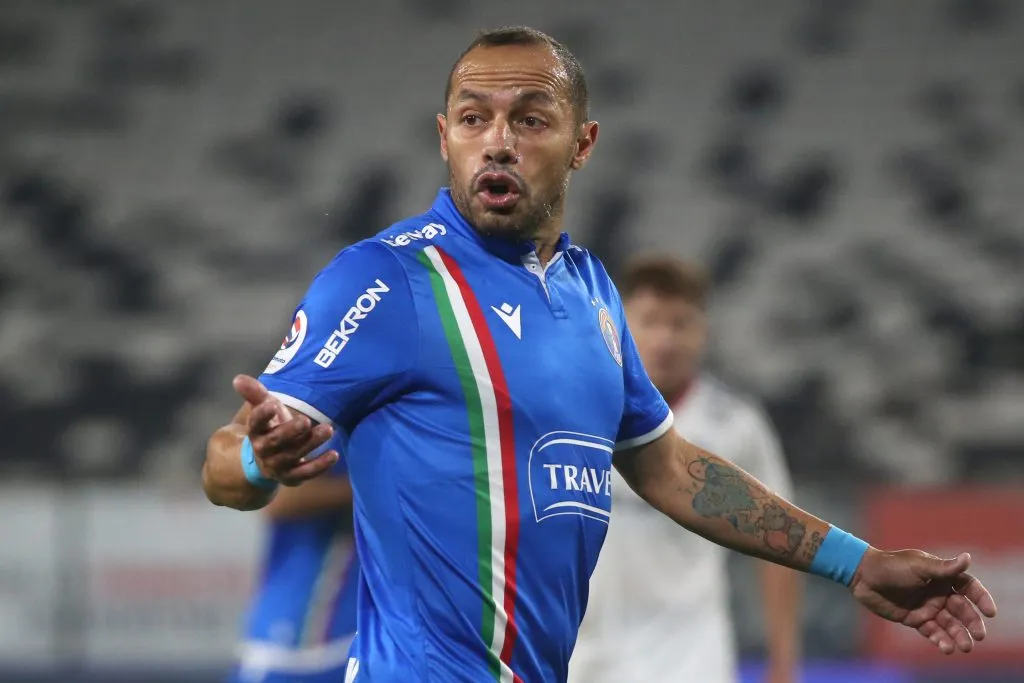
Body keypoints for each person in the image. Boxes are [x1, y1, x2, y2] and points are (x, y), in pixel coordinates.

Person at [201, 26, 997, 683]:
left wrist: (856, 564)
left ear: (583, 144)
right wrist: (262, 461)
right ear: (444, 138)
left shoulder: (591, 294)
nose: (498, 142)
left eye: (531, 119)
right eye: (473, 119)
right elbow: (225, 460)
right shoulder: (391, 279)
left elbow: (669, 467)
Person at [571, 257, 800, 683]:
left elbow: (780, 541)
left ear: (702, 331)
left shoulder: (735, 424)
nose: (665, 339)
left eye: (680, 323)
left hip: (690, 653)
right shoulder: (572, 410)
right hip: (581, 650)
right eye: (651, 321)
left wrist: (784, 659)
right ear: (617, 322)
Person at [227, 433, 359, 683]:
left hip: (350, 641)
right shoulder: (316, 428)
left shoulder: (388, 432)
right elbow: (280, 500)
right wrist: (369, 489)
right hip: (287, 641)